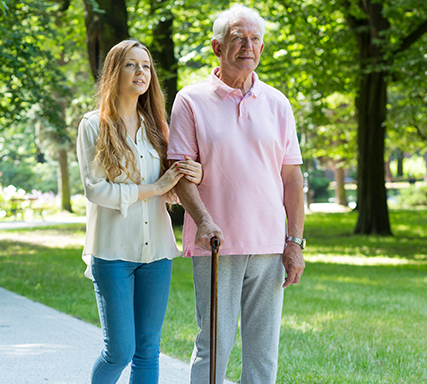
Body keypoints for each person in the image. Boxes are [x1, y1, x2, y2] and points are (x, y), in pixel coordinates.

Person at [167, 4, 305, 384]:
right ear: (216, 46)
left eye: (255, 39)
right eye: (237, 38)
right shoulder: (191, 100)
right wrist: (205, 221)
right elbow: (180, 173)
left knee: (263, 351)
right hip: (215, 243)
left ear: (262, 47)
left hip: (269, 244)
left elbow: (292, 179)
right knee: (215, 345)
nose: (248, 45)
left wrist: (294, 242)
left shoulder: (277, 102)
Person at [77, 39, 203, 384]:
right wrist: (155, 189)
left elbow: (174, 189)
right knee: (119, 350)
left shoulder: (158, 128)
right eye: (131, 65)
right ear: (115, 72)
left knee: (148, 349)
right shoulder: (93, 125)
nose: (141, 72)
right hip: (112, 252)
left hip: (157, 253)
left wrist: (195, 175)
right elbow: (96, 190)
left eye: (146, 66)